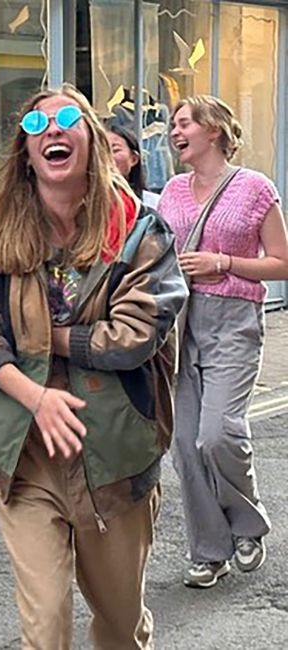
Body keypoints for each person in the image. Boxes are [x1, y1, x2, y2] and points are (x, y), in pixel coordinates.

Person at [0, 85, 187, 648]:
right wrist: (35, 395)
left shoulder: (138, 231)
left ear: (93, 141)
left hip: (115, 456)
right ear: (25, 154)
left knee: (120, 627)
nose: (52, 130)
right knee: (46, 626)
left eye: (68, 119)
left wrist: (41, 338)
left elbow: (133, 337)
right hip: (26, 455)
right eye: (37, 124)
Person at [158, 95, 288, 588]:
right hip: (180, 322)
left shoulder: (255, 188)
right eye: (173, 124)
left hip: (234, 320)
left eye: (184, 122)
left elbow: (283, 263)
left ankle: (248, 524)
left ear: (212, 130)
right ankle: (209, 551)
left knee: (219, 435)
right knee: (185, 447)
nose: (174, 131)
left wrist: (224, 263)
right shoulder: (170, 190)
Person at [106, 122, 159, 208]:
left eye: (115, 150)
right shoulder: (84, 205)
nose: (107, 157)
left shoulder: (153, 203)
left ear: (134, 159)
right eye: (101, 151)